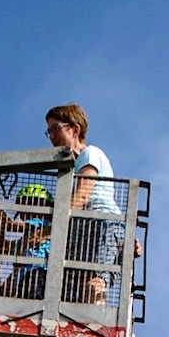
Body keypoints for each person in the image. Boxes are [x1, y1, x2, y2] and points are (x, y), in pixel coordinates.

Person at [45, 104, 123, 304]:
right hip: (84, 227)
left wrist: (51, 228)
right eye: (48, 131)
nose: (51, 136)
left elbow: (83, 195)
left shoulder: (90, 154)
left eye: (56, 128)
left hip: (100, 222)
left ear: (75, 129)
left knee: (94, 280)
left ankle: (94, 319)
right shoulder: (70, 170)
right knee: (80, 284)